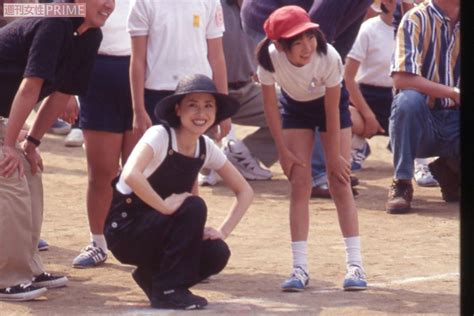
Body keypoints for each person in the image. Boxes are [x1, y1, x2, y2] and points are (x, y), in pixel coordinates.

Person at [104, 74, 253, 310]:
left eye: (208, 106)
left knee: (216, 252)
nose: (200, 113)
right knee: (194, 206)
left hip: (159, 230)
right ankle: (168, 291)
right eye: (192, 105)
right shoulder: (160, 135)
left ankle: (153, 278)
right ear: (178, 109)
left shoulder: (206, 146)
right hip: (126, 231)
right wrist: (166, 207)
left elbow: (245, 191)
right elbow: (131, 175)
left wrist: (223, 231)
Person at [0, 0, 115, 301]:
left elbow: (61, 94)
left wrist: (31, 143)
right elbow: (30, 87)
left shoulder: (91, 35)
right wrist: (9, 145)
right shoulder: (53, 21)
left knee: (29, 170)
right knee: (9, 178)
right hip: (5, 118)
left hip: (4, 116)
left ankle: (28, 267)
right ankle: (6, 277)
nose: (110, 4)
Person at [256, 6, 367, 291]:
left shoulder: (329, 55)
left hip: (330, 106)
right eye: (297, 42)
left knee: (339, 181)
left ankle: (355, 266)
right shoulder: (268, 60)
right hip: (295, 109)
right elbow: (270, 106)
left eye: (309, 37)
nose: (307, 47)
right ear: (280, 46)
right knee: (299, 183)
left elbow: (332, 108)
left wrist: (335, 158)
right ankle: (299, 268)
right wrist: (282, 150)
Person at [240, 0, 372, 198]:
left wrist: (336, 61)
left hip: (302, 24)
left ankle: (320, 169)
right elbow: (316, 30)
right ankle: (316, 174)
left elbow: (352, 20)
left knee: (321, 84)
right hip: (268, 16)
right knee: (308, 92)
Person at [72, 0, 140, 268]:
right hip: (97, 71)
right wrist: (62, 89)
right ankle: (98, 242)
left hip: (143, 71)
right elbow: (65, 20)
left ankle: (144, 241)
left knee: (139, 171)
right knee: (101, 170)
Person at [385, 0, 460, 214]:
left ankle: (449, 169)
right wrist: (453, 93)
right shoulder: (415, 18)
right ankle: (402, 182)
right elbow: (401, 79)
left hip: (456, 121)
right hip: (423, 122)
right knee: (408, 100)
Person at [128, 0, 230, 140]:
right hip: (157, 96)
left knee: (197, 157)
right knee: (159, 158)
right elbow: (138, 60)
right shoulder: (142, 2)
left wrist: (224, 111)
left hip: (201, 94)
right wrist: (138, 110)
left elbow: (217, 57)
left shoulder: (211, 2)